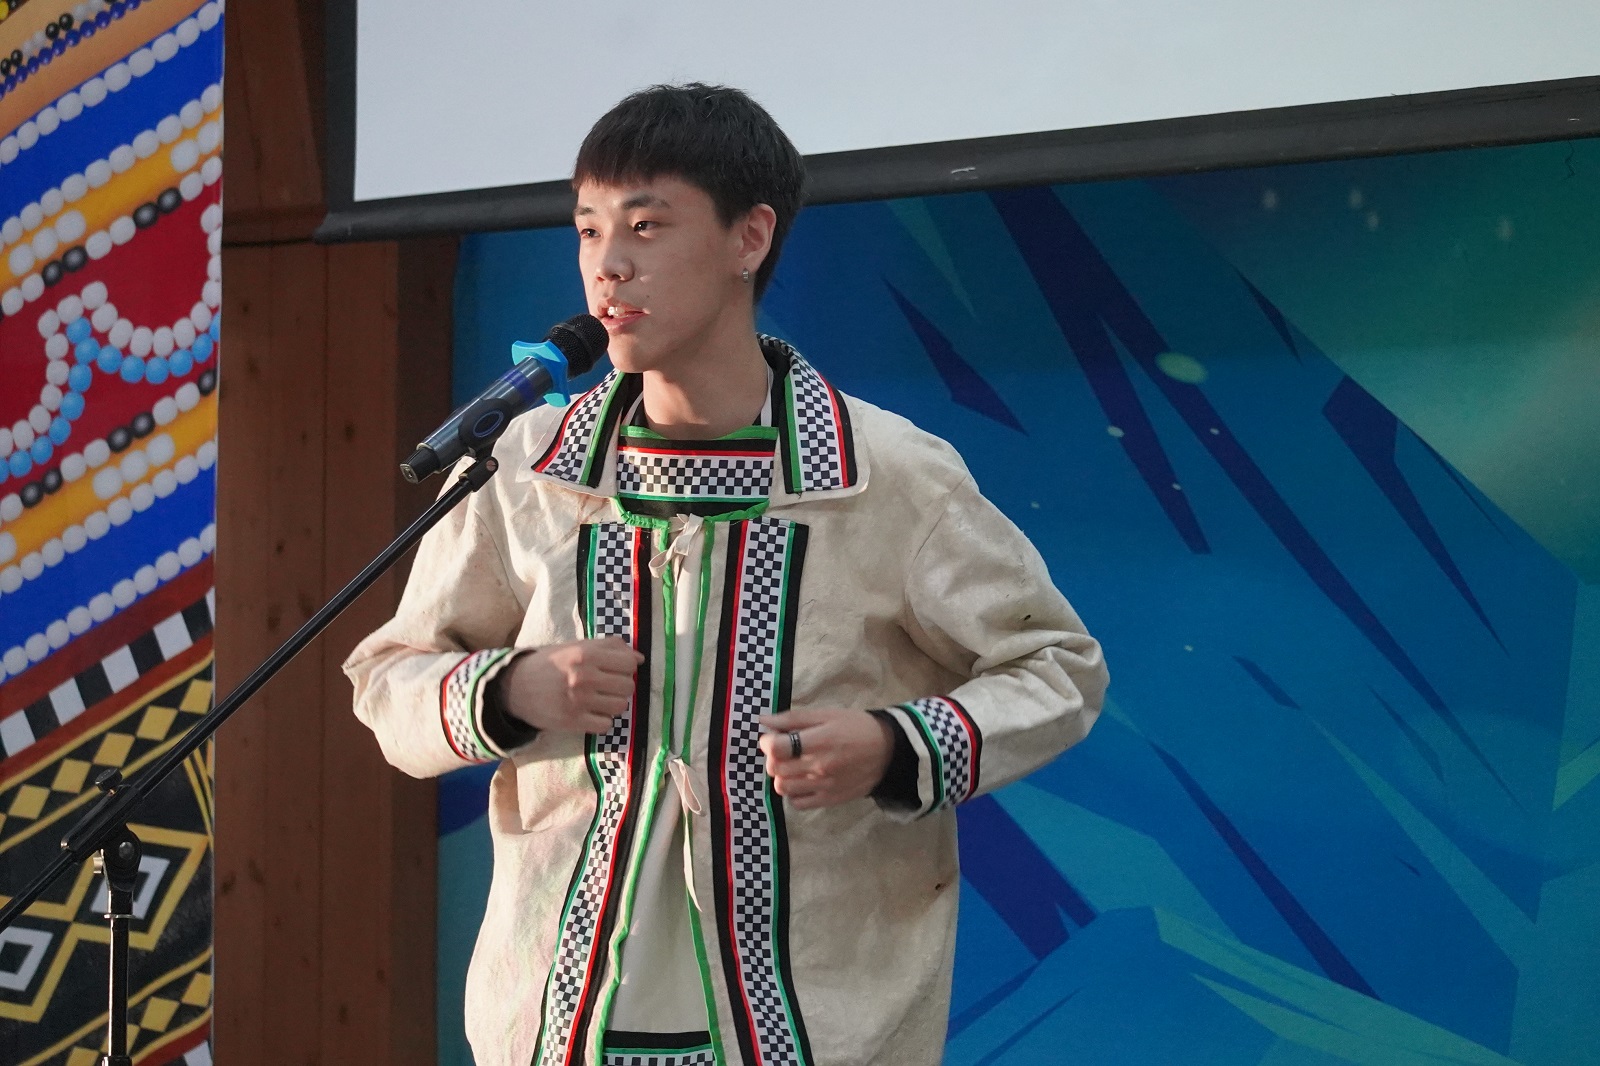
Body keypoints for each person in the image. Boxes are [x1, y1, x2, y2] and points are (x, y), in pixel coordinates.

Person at [343, 83, 1108, 1066]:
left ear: (750, 237)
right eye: (587, 229)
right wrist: (512, 688)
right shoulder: (524, 467)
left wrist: (892, 743)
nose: (607, 264)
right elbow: (388, 677)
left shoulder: (889, 474)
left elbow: (1057, 667)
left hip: (818, 1016)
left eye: (646, 226)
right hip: (558, 1013)